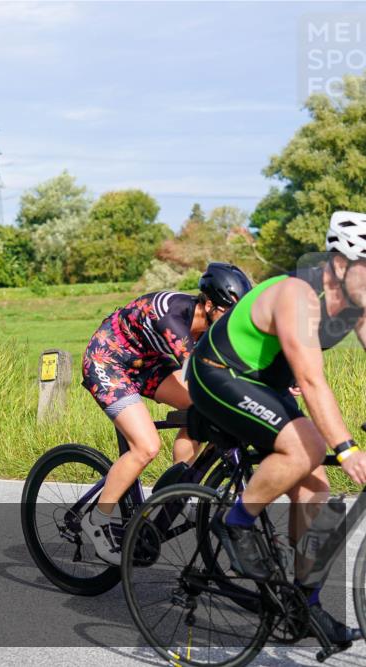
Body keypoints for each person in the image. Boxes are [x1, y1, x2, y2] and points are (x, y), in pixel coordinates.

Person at [190, 211, 366, 645]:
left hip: (264, 384)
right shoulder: (298, 295)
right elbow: (311, 381)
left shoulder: (357, 302)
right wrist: (347, 449)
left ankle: (304, 607)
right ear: (340, 264)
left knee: (316, 491)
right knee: (310, 447)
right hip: (219, 371)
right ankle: (236, 521)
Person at [81, 262, 253, 564]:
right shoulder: (172, 317)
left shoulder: (213, 323)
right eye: (229, 312)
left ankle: (179, 491)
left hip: (148, 363)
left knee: (202, 410)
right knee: (146, 447)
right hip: (108, 360)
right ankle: (96, 520)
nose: (233, 320)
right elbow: (198, 372)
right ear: (208, 305)